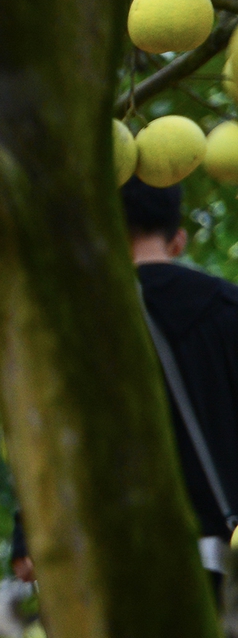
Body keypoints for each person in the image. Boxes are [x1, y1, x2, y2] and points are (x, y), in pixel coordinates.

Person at [123, 179, 238, 574]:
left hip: (131, 562)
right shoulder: (227, 306)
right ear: (178, 240)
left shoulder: (81, 325)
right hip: (225, 552)